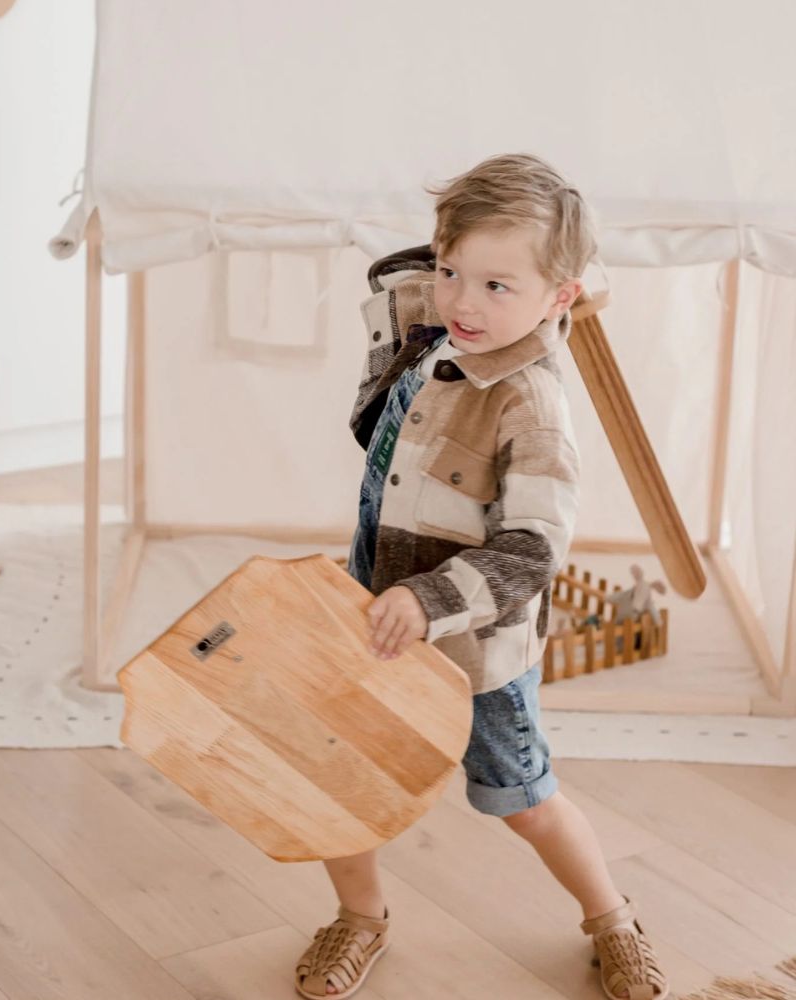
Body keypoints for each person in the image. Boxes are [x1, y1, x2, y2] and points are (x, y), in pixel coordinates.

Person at [294, 153, 670, 1000]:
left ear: (560, 297)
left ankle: (612, 918)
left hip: (478, 658)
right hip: (374, 626)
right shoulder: (431, 334)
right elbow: (388, 349)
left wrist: (431, 601)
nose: (464, 302)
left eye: (498, 286)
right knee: (341, 777)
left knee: (524, 799)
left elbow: (532, 548)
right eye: (451, 272)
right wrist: (448, 275)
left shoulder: (532, 408)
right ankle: (359, 917)